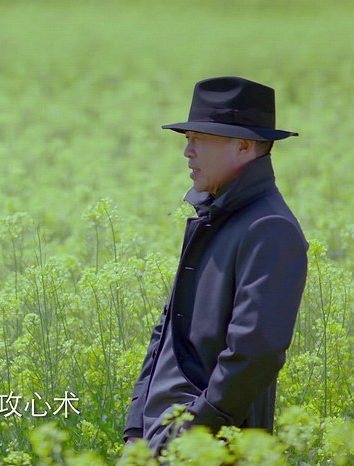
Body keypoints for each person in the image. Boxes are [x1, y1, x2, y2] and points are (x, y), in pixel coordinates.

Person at [123, 76, 309, 451]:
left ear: (243, 145)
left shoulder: (269, 228)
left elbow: (254, 355)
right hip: (162, 441)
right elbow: (167, 333)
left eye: (199, 139)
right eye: (187, 139)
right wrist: (136, 431)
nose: (187, 152)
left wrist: (192, 434)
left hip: (207, 449)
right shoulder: (216, 216)